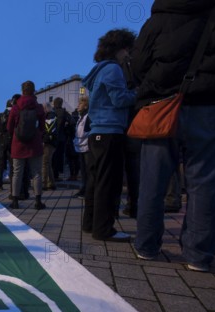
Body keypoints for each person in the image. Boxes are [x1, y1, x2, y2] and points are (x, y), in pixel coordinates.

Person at [131, 0, 215, 271]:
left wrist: (154, 88)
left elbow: (139, 62)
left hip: (163, 105)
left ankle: (146, 245)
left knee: (153, 179)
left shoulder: (165, 10)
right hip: (212, 105)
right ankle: (199, 254)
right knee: (205, 181)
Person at [81, 29, 137, 242]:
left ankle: (90, 223)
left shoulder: (98, 71)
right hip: (110, 131)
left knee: (96, 181)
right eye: (127, 50)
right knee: (108, 183)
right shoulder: (113, 69)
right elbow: (119, 99)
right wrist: (138, 93)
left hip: (96, 132)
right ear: (120, 48)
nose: (128, 55)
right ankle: (104, 229)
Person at [7, 81, 46, 211]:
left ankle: (15, 201)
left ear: (22, 91)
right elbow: (42, 127)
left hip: (18, 144)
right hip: (35, 144)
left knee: (17, 173)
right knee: (36, 173)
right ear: (34, 91)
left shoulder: (15, 107)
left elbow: (9, 127)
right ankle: (38, 202)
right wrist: (36, 135)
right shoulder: (39, 107)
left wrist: (17, 135)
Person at [73, 96, 91, 199]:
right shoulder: (81, 117)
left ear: (85, 106)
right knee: (83, 171)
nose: (77, 106)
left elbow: (85, 132)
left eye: (80, 104)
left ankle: (87, 191)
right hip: (80, 147)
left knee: (87, 171)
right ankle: (83, 189)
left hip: (86, 147)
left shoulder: (87, 117)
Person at [0, 100, 13, 191]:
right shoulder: (13, 115)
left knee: (0, 164)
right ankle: (13, 184)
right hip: (11, 142)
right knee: (12, 164)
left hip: (0, 142)